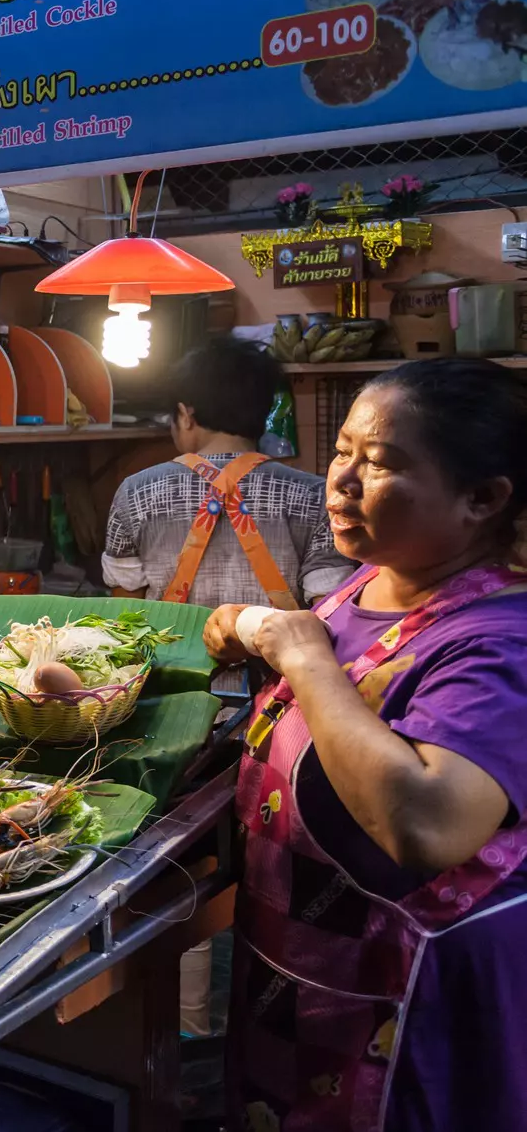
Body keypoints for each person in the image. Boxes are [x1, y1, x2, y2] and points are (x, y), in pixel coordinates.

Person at [202, 359, 527, 1131]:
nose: (341, 482)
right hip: (298, 975)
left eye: (378, 464)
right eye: (341, 451)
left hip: (414, 1006)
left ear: (482, 498)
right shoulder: (363, 587)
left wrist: (303, 654)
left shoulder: (500, 641)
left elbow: (427, 822)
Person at [105, 336, 354, 611]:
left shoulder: (135, 492)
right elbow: (330, 607)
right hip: (277, 653)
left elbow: (126, 610)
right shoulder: (317, 494)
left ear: (185, 414)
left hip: (170, 654)